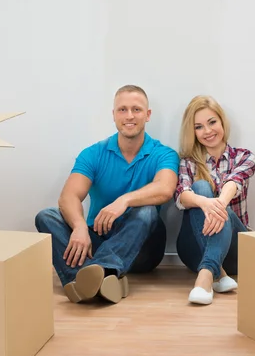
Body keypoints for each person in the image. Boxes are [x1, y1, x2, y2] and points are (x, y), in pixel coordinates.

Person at [35, 85, 179, 304]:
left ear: (147, 115)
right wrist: (80, 227)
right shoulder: (93, 153)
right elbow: (68, 197)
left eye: (136, 109)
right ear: (114, 115)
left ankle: (87, 275)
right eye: (122, 110)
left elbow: (165, 189)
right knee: (46, 216)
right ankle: (104, 279)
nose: (129, 116)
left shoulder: (164, 154)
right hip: (98, 239)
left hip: (143, 249)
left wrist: (124, 200)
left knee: (147, 211)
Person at [174, 95, 255, 305]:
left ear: (222, 122)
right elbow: (181, 195)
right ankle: (217, 272)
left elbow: (233, 184)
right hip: (194, 248)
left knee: (216, 204)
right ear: (192, 132)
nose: (208, 131)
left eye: (212, 122)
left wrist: (216, 205)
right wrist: (204, 202)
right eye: (199, 127)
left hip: (236, 251)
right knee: (199, 190)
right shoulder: (188, 162)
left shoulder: (244, 157)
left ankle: (205, 277)